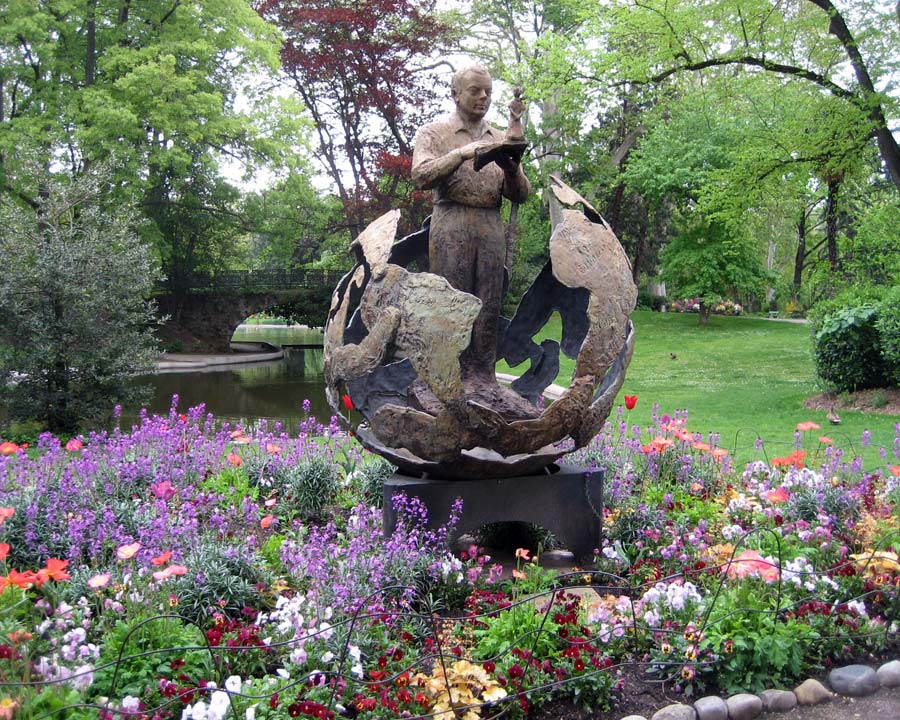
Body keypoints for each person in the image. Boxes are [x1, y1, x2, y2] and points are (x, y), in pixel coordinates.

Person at [411, 65, 531, 385]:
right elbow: (421, 175)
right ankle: (446, 378)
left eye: (488, 92)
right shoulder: (434, 133)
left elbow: (521, 196)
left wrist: (512, 170)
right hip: (451, 222)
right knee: (452, 303)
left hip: (491, 225)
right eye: (475, 90)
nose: (483, 97)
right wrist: (463, 153)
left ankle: (483, 379)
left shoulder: (499, 138)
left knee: (488, 303)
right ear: (455, 94)